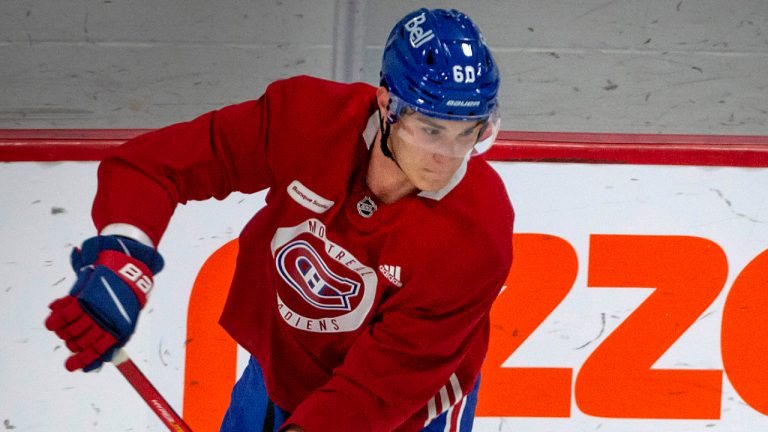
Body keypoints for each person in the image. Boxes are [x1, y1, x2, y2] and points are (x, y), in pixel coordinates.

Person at [44, 8, 513, 432]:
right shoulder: (309, 120)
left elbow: (373, 394)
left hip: (402, 413)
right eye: (431, 129)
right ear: (387, 104)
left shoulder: (478, 231)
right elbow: (155, 167)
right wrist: (123, 261)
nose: (447, 157)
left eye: (468, 133)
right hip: (282, 370)